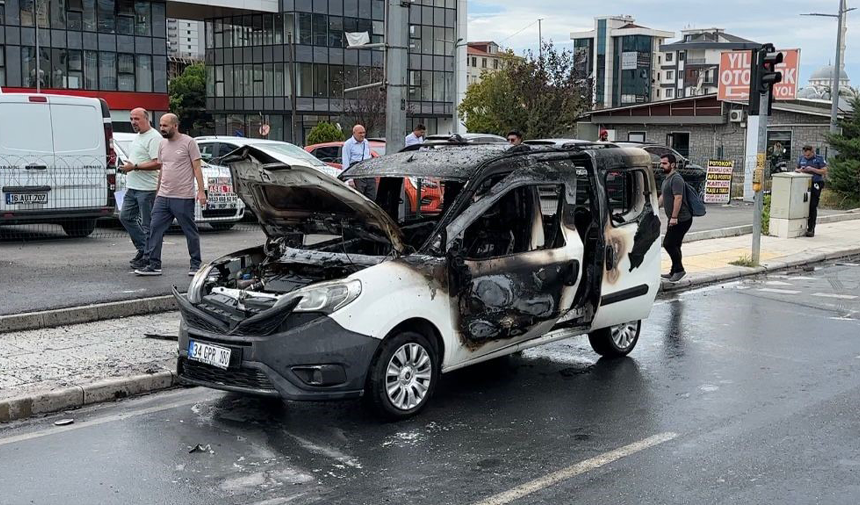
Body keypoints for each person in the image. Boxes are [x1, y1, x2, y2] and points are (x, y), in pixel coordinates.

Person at [134, 114, 207, 277]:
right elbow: (163, 168)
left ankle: (196, 264)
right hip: (163, 196)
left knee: (189, 230)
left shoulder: (189, 142)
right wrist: (158, 191)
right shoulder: (162, 144)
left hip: (183, 196)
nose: (162, 128)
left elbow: (197, 168)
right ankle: (154, 265)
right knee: (155, 228)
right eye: (160, 125)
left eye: (165, 125)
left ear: (175, 125)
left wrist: (201, 191)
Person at [121, 108, 163, 270]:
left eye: (137, 119)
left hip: (147, 189)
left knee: (148, 224)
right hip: (133, 186)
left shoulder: (154, 138)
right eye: (131, 119)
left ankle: (148, 256)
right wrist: (129, 167)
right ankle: (143, 248)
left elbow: (158, 163)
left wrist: (135, 167)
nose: (133, 122)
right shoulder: (137, 137)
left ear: (147, 119)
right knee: (126, 217)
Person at [658, 153, 692, 282]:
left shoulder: (676, 179)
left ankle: (679, 270)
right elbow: (663, 196)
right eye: (661, 163)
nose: (661, 165)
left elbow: (678, 198)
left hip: (681, 218)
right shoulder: (667, 178)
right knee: (675, 244)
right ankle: (674, 271)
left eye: (664, 163)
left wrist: (674, 217)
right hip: (674, 218)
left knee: (668, 244)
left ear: (672, 165)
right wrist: (655, 207)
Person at [796, 145, 828, 237]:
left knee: (812, 205)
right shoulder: (801, 158)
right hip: (803, 183)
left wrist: (812, 169)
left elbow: (824, 171)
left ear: (812, 152)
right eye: (805, 155)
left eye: (808, 155)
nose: (806, 157)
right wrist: (800, 170)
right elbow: (796, 169)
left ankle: (811, 228)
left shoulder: (819, 159)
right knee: (803, 204)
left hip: (815, 182)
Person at [342, 124, 375, 199]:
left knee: (371, 195)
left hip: (368, 171)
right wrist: (350, 179)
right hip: (356, 171)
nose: (362, 135)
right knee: (360, 196)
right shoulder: (348, 144)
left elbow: (368, 155)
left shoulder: (366, 142)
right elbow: (346, 162)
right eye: (360, 133)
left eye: (364, 133)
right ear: (354, 133)